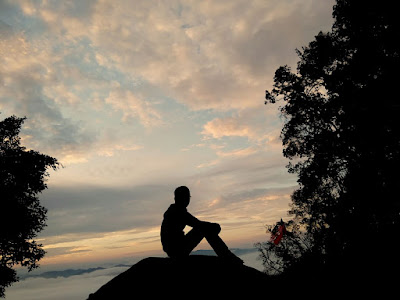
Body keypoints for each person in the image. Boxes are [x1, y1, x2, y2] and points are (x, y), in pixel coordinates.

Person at [161, 186, 243, 264]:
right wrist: (214, 226)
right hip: (177, 250)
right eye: (185, 197)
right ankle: (227, 256)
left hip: (176, 249)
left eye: (188, 197)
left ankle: (226, 255)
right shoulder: (177, 212)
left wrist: (211, 227)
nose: (187, 199)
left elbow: (197, 223)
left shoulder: (175, 211)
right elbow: (197, 224)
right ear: (177, 198)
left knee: (204, 228)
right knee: (204, 229)